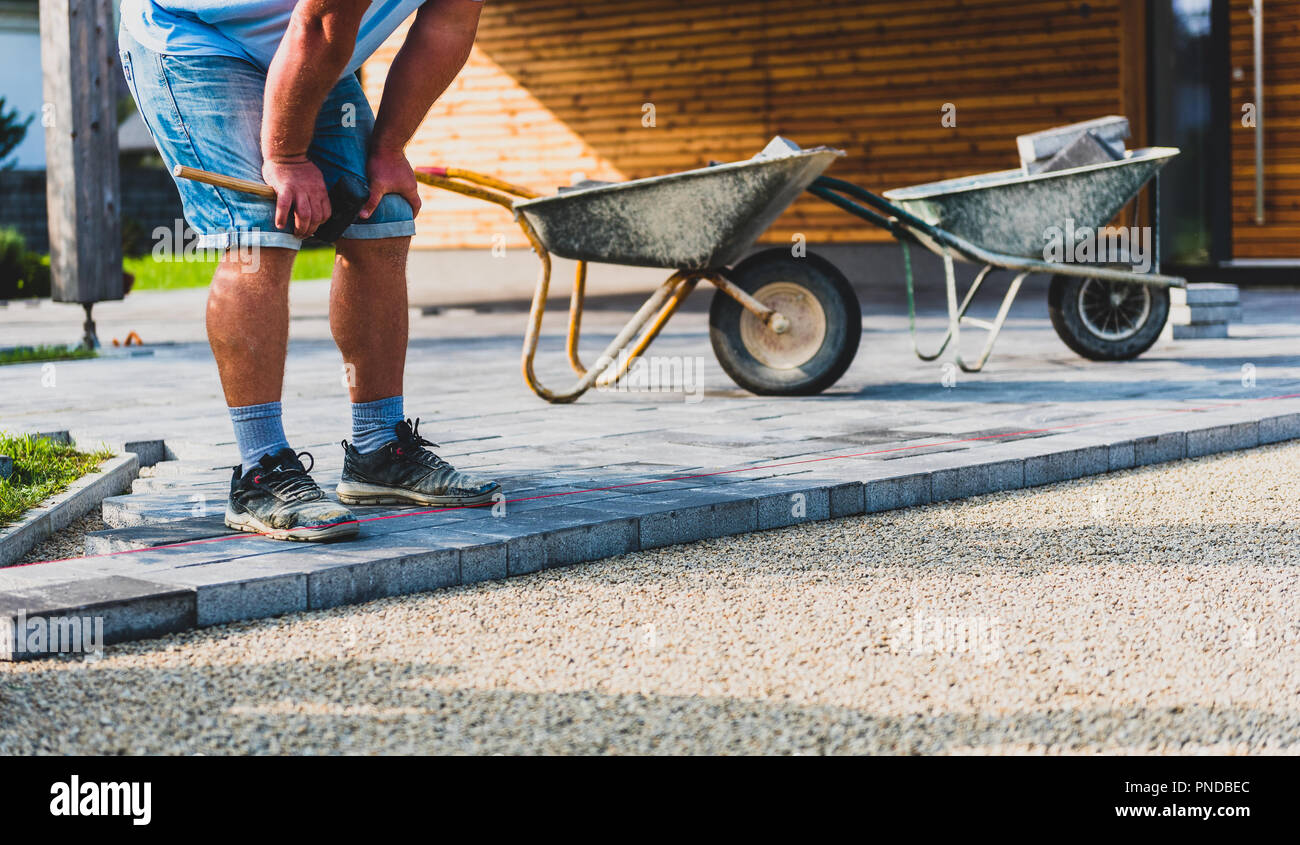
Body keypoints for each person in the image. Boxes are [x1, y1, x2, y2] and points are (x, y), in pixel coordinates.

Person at [118, 0, 498, 541]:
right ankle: (260, 470)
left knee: (381, 213)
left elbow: (448, 25)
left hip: (314, 51)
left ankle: (378, 449)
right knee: (260, 231)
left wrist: (390, 147)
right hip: (199, 37)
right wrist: (287, 157)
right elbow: (321, 22)